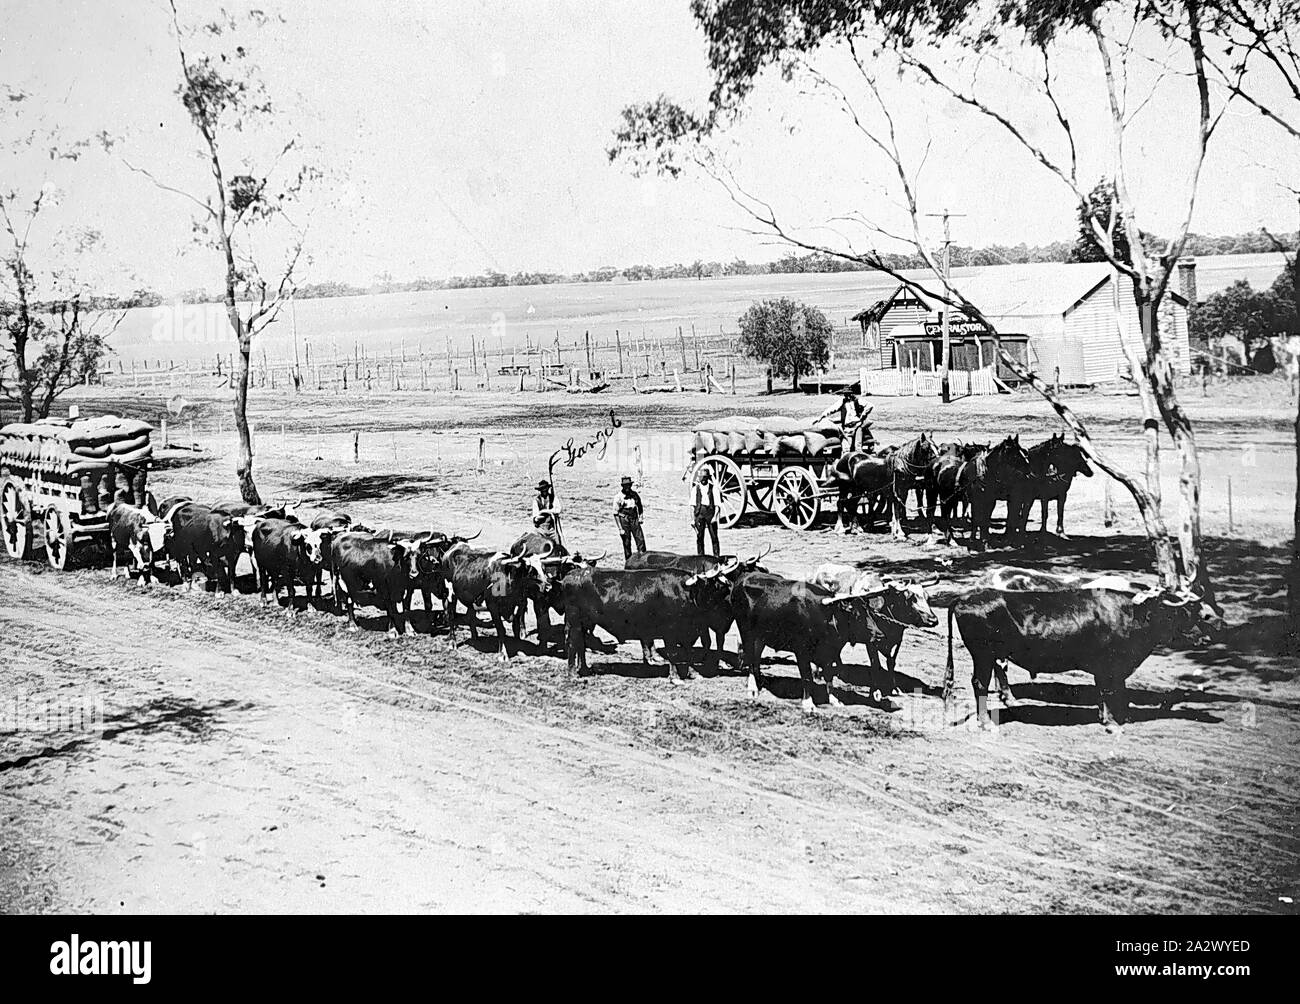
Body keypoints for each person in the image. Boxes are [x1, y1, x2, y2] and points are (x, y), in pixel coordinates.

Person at [614, 475, 646, 560]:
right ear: (622, 486)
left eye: (629, 485)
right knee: (627, 542)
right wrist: (620, 528)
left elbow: (640, 506)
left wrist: (641, 516)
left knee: (640, 540)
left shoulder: (635, 495)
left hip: (634, 518)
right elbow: (615, 514)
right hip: (624, 519)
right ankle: (629, 562)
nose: (627, 487)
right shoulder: (618, 497)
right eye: (625, 485)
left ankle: (642, 560)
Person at [691, 468, 721, 556]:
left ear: (708, 478)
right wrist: (693, 520)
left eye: (705, 477)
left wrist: (715, 517)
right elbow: (692, 505)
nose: (703, 479)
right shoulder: (695, 489)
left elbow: (717, 505)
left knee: (714, 537)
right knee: (699, 537)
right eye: (701, 477)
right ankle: (701, 557)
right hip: (699, 513)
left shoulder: (714, 489)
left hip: (710, 514)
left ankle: (716, 557)